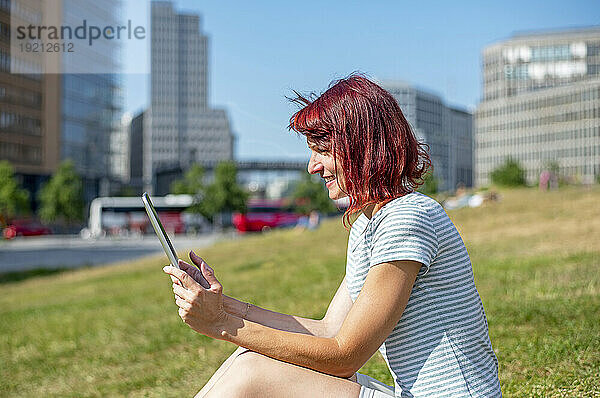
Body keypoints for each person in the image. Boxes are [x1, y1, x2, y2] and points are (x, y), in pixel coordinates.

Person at [163, 74, 502, 397]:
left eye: (322, 150)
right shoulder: (368, 225)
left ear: (363, 147)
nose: (312, 166)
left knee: (252, 372)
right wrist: (221, 305)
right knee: (246, 360)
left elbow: (345, 357)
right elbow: (329, 331)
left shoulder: (407, 217)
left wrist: (221, 323)